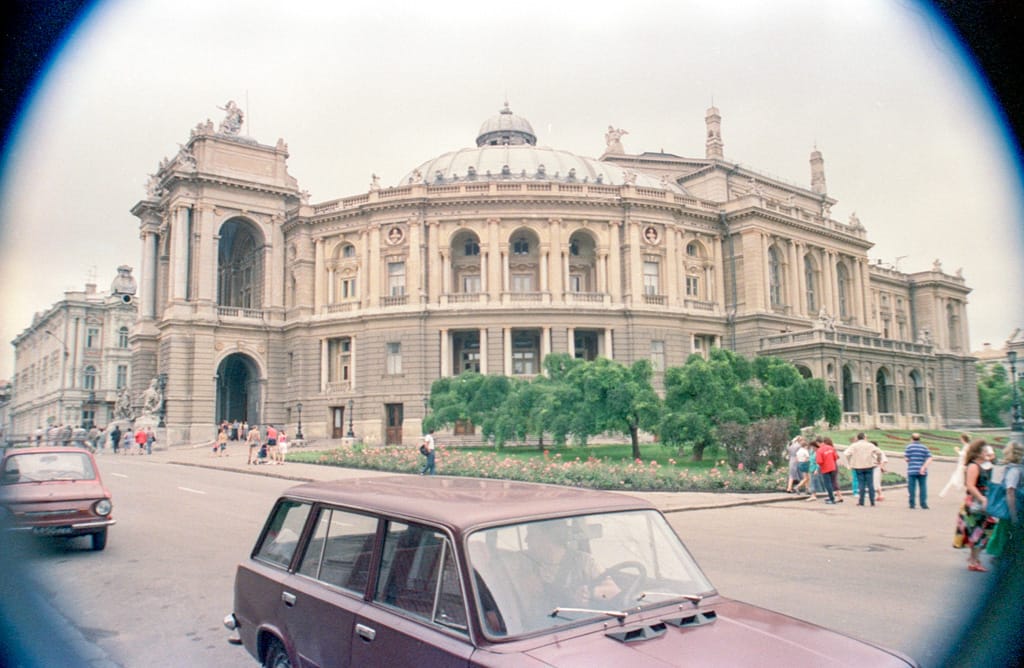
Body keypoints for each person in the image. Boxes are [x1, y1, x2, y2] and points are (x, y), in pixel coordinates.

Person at [518, 520, 621, 613]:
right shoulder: (525, 561)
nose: (526, 540)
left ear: (548, 537)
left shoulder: (582, 561)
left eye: (531, 534)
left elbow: (614, 591)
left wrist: (590, 593)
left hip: (574, 624)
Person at [955, 439, 997, 571]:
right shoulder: (973, 466)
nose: (987, 452)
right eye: (984, 450)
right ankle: (974, 561)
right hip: (975, 502)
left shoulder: (984, 464)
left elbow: (992, 462)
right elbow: (970, 485)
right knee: (978, 530)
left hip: (983, 500)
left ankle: (974, 558)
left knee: (983, 529)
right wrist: (982, 498)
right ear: (978, 452)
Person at [987, 441, 1023, 559]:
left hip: (1004, 507)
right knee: (1007, 532)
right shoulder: (1015, 470)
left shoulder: (1006, 467)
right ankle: (1000, 556)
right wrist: (1013, 514)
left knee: (1002, 531)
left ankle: (998, 555)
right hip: (1011, 507)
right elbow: (1010, 491)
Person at [844, 433, 883, 506]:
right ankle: (872, 501)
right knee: (870, 484)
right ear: (864, 437)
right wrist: (878, 460)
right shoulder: (870, 445)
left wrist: (850, 462)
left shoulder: (854, 445)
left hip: (858, 466)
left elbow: (846, 453)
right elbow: (879, 452)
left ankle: (861, 501)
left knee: (861, 484)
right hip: (869, 465)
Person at [905, 432, 933, 509]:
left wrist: (910, 460)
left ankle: (912, 503)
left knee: (911, 487)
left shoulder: (909, 447)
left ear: (911, 438)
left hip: (912, 470)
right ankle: (923, 504)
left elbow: (906, 458)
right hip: (922, 470)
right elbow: (930, 458)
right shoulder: (924, 447)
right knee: (923, 487)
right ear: (920, 439)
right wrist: (924, 467)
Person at [940, 433, 971, 497]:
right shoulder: (966, 446)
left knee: (956, 479)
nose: (960, 440)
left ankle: (943, 493)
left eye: (961, 439)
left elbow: (963, 455)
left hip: (962, 465)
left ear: (963, 439)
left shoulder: (967, 446)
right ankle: (944, 492)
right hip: (962, 465)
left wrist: (957, 450)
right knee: (958, 479)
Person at [815, 436, 840, 504]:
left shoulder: (819, 450)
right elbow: (836, 457)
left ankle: (832, 499)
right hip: (833, 467)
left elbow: (819, 461)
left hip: (825, 468)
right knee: (832, 482)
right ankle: (832, 496)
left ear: (817, 443)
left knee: (827, 484)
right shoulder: (830, 448)